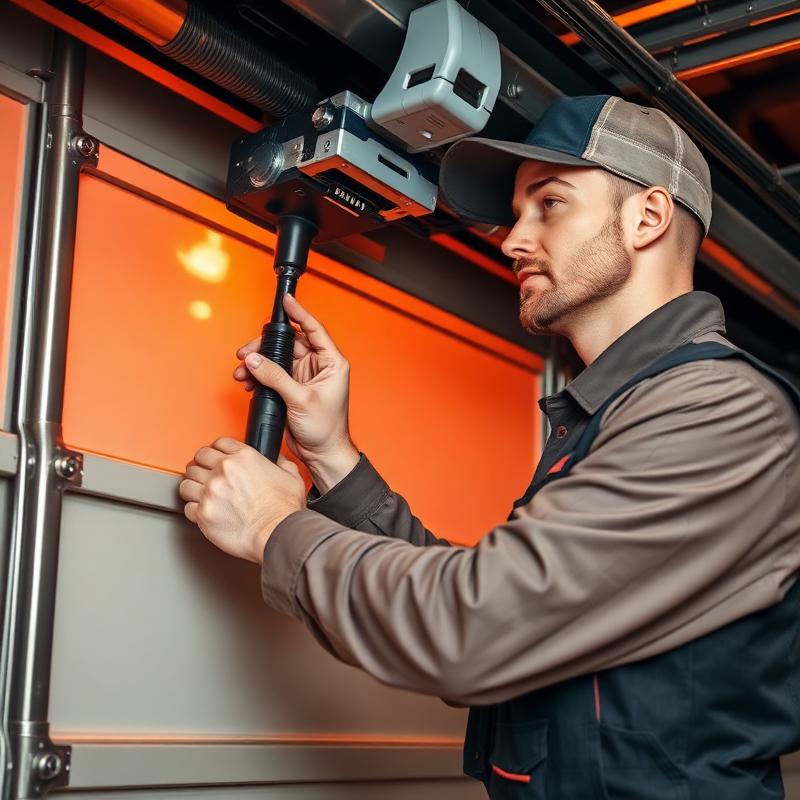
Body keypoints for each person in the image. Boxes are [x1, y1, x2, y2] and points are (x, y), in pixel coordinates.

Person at [179, 95, 800, 798]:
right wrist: (333, 458)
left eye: (550, 204)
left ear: (647, 217)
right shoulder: (620, 409)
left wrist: (272, 527)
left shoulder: (715, 408)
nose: (511, 241)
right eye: (516, 213)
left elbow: (474, 627)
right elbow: (505, 605)